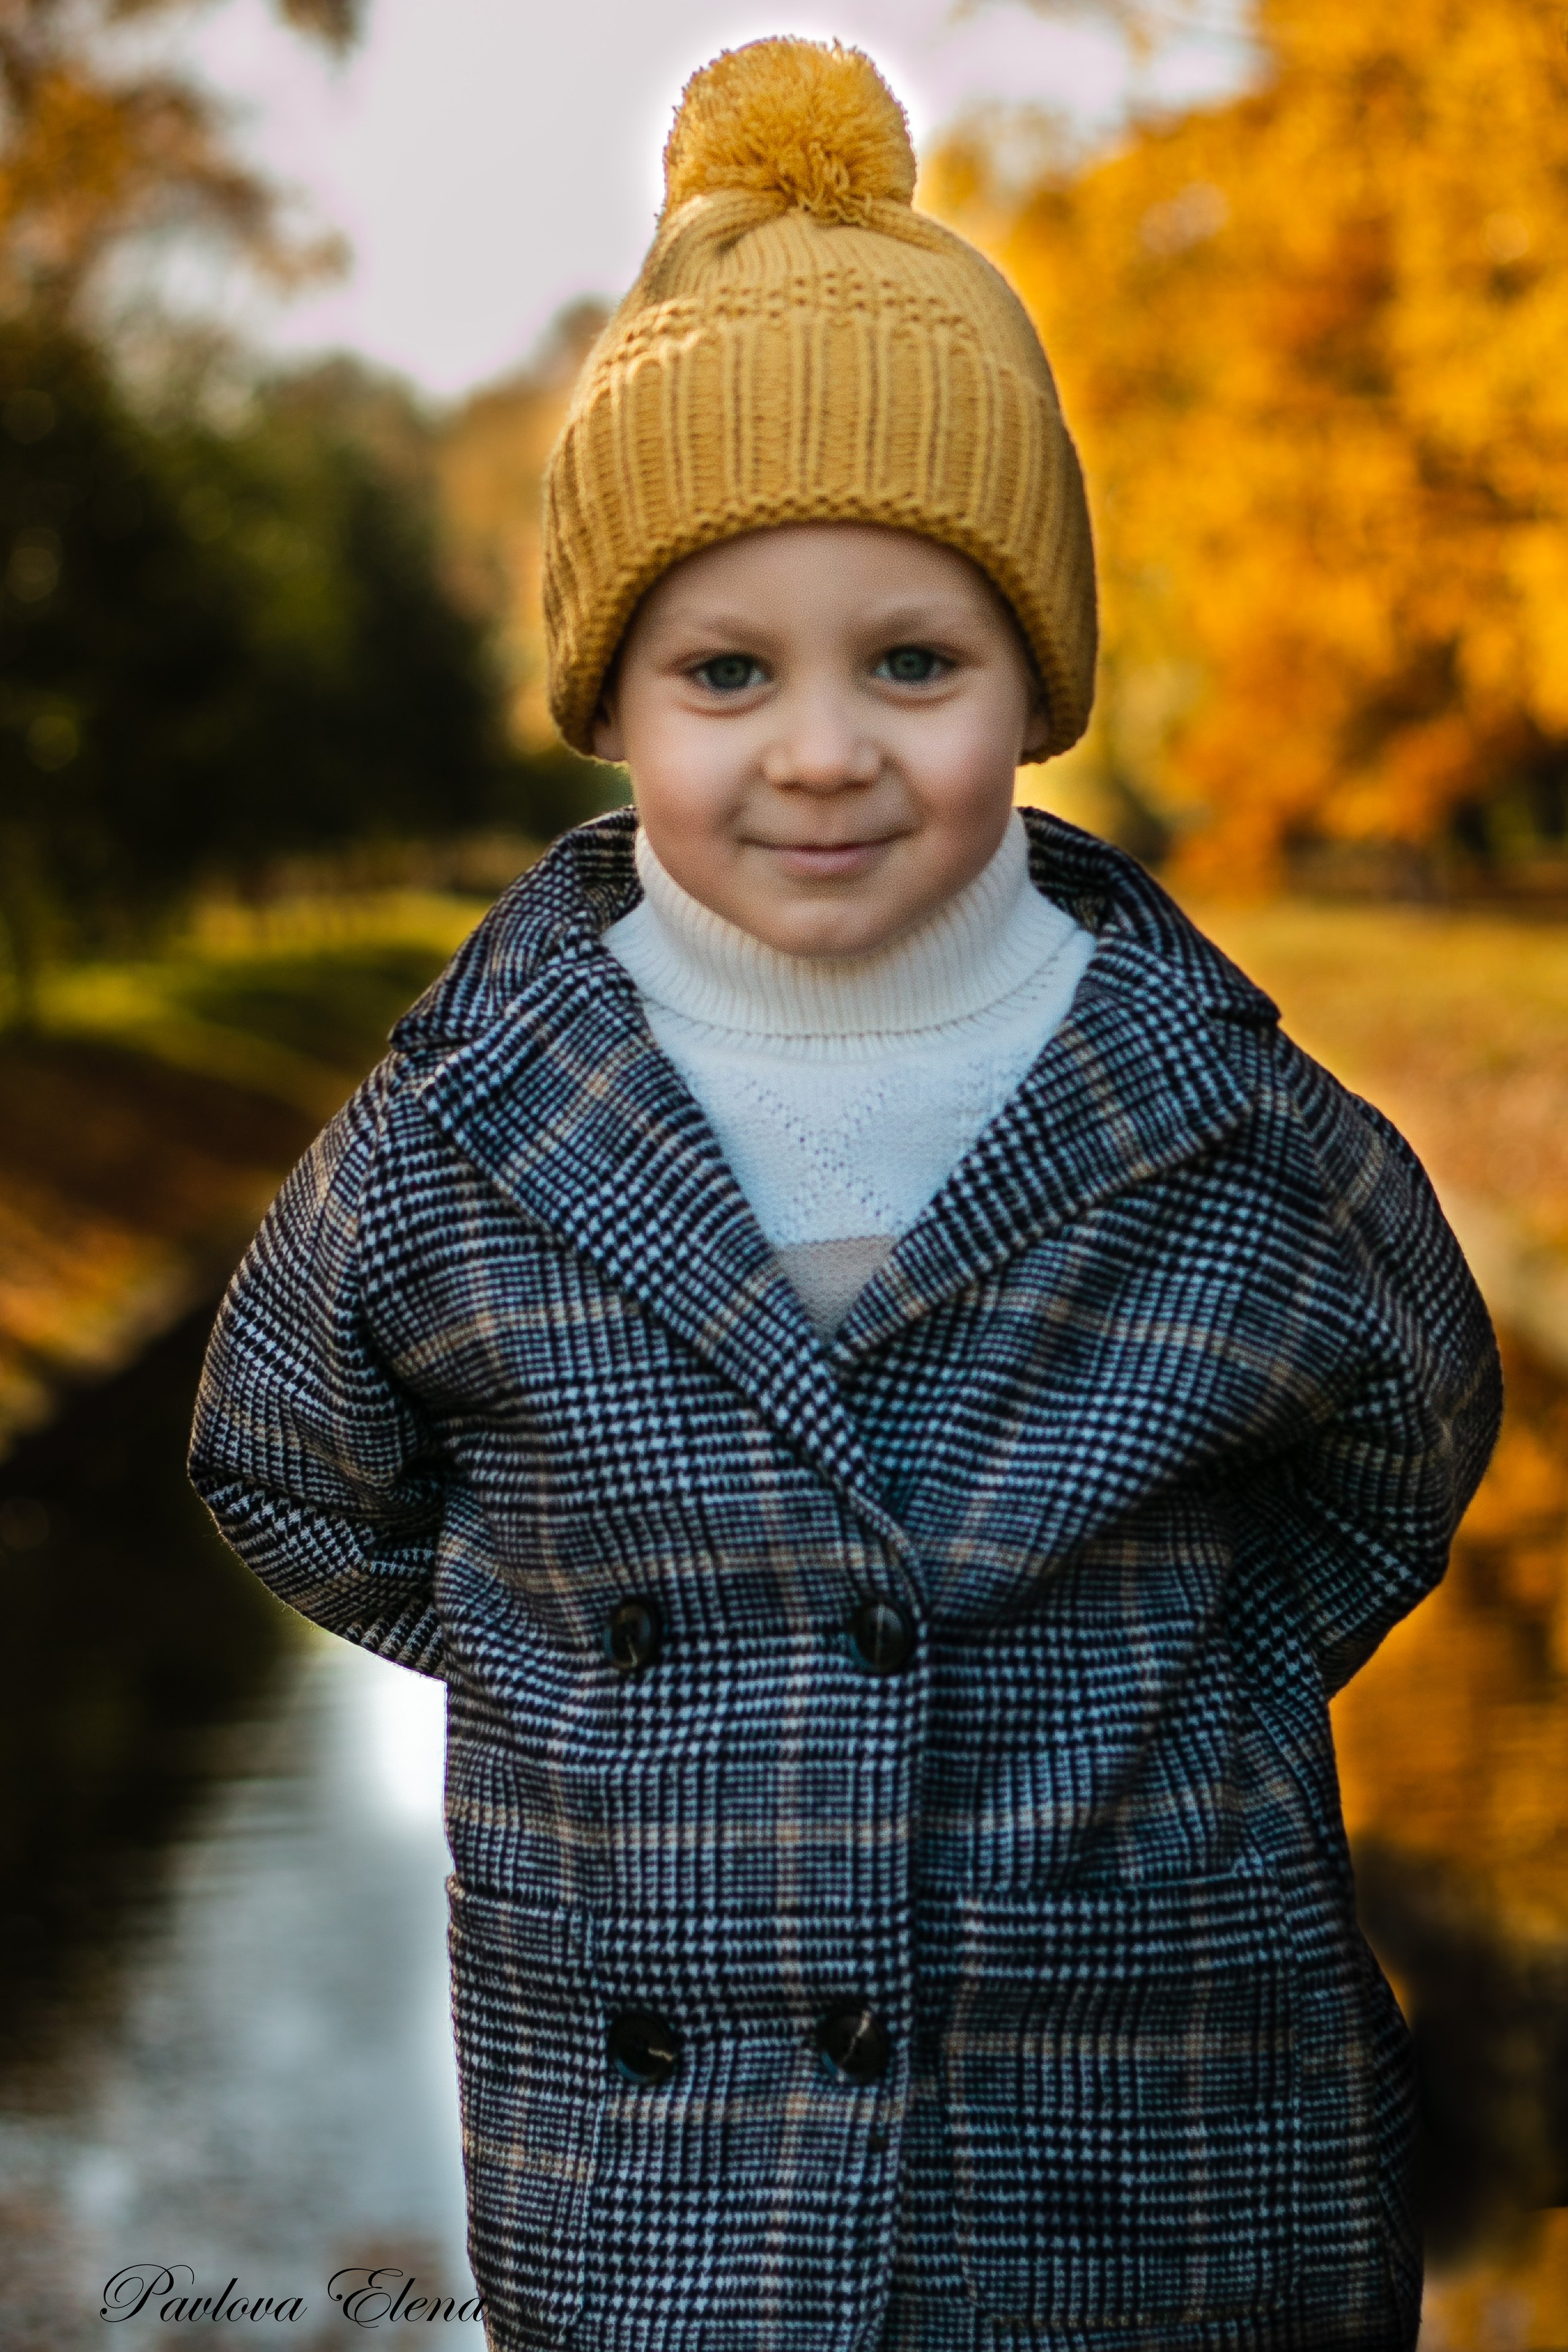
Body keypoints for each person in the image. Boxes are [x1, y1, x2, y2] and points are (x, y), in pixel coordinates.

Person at [189, 36, 1501, 2352]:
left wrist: (1182, 1698)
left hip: (1161, 2157)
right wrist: (582, 1663)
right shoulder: (470, 1119)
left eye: (917, 660)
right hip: (672, 2185)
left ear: (1035, 681)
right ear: (614, 704)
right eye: (726, 670)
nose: (820, 747)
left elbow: (1408, 1422)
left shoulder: (1219, 1113)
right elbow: (296, 1458)